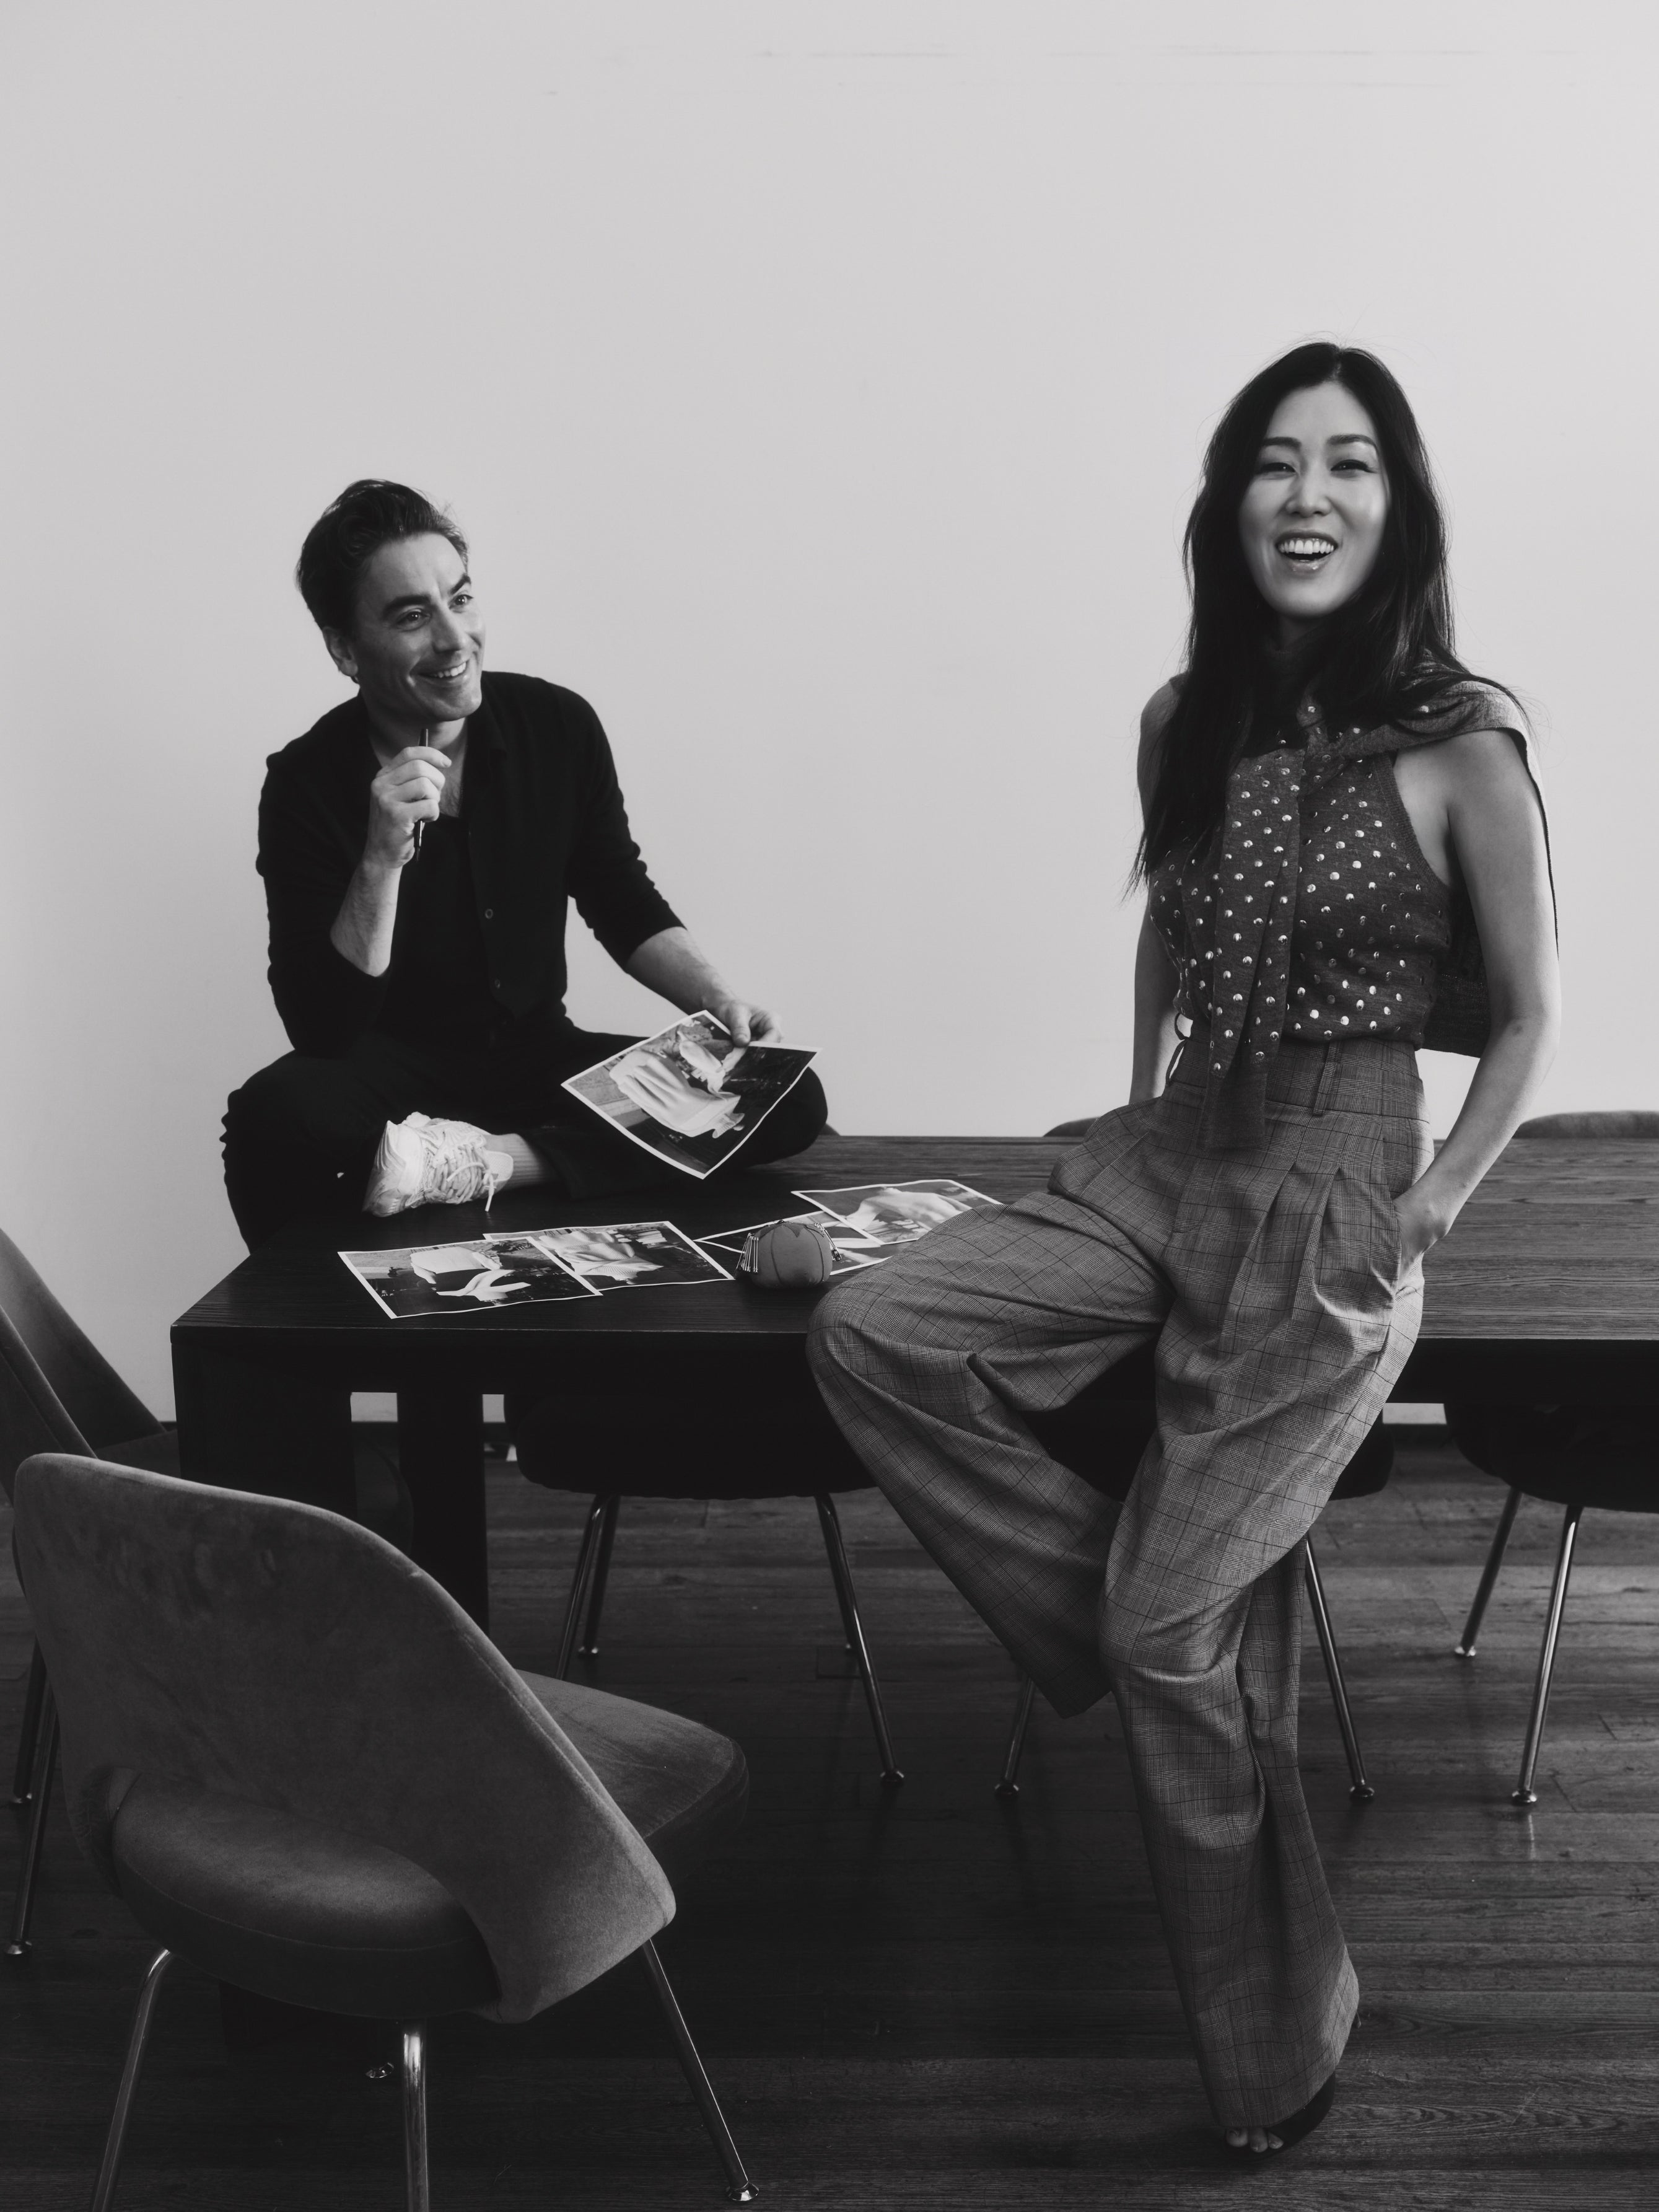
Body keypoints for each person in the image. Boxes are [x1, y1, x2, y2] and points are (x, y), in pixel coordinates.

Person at [807, 345, 1558, 2154]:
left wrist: (1434, 1198)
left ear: (1396, 509)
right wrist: (1138, 1089)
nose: (1307, 494)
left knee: (1170, 1638)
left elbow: (1531, 1010)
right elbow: (1164, 922)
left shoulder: (1460, 743)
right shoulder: (1182, 719)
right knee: (871, 1331)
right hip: (1171, 1151)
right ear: (1228, 504)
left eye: (1349, 462)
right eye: (1273, 462)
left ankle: (1276, 2048)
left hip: (1338, 1178)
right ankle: (1135, 1617)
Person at [222, 480, 827, 1247]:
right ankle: (330, 1300)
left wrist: (717, 1002)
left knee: (788, 1095)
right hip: (393, 1082)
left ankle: (493, 1164)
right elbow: (320, 1029)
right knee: (270, 1119)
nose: (455, 640)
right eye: (412, 617)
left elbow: (620, 898)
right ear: (345, 649)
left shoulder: (557, 726)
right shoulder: (305, 781)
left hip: (543, 1063)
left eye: (460, 600)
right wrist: (379, 859)